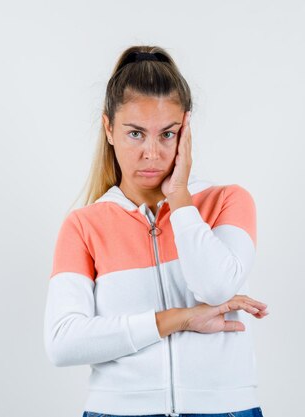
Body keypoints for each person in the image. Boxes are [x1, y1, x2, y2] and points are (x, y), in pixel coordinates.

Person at [43, 45, 270, 417]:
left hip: (226, 409)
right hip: (117, 411)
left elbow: (216, 287)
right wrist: (176, 319)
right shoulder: (84, 226)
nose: (152, 153)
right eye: (135, 134)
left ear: (186, 131)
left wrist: (180, 199)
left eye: (167, 134)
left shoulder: (228, 201)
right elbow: (63, 342)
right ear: (109, 129)